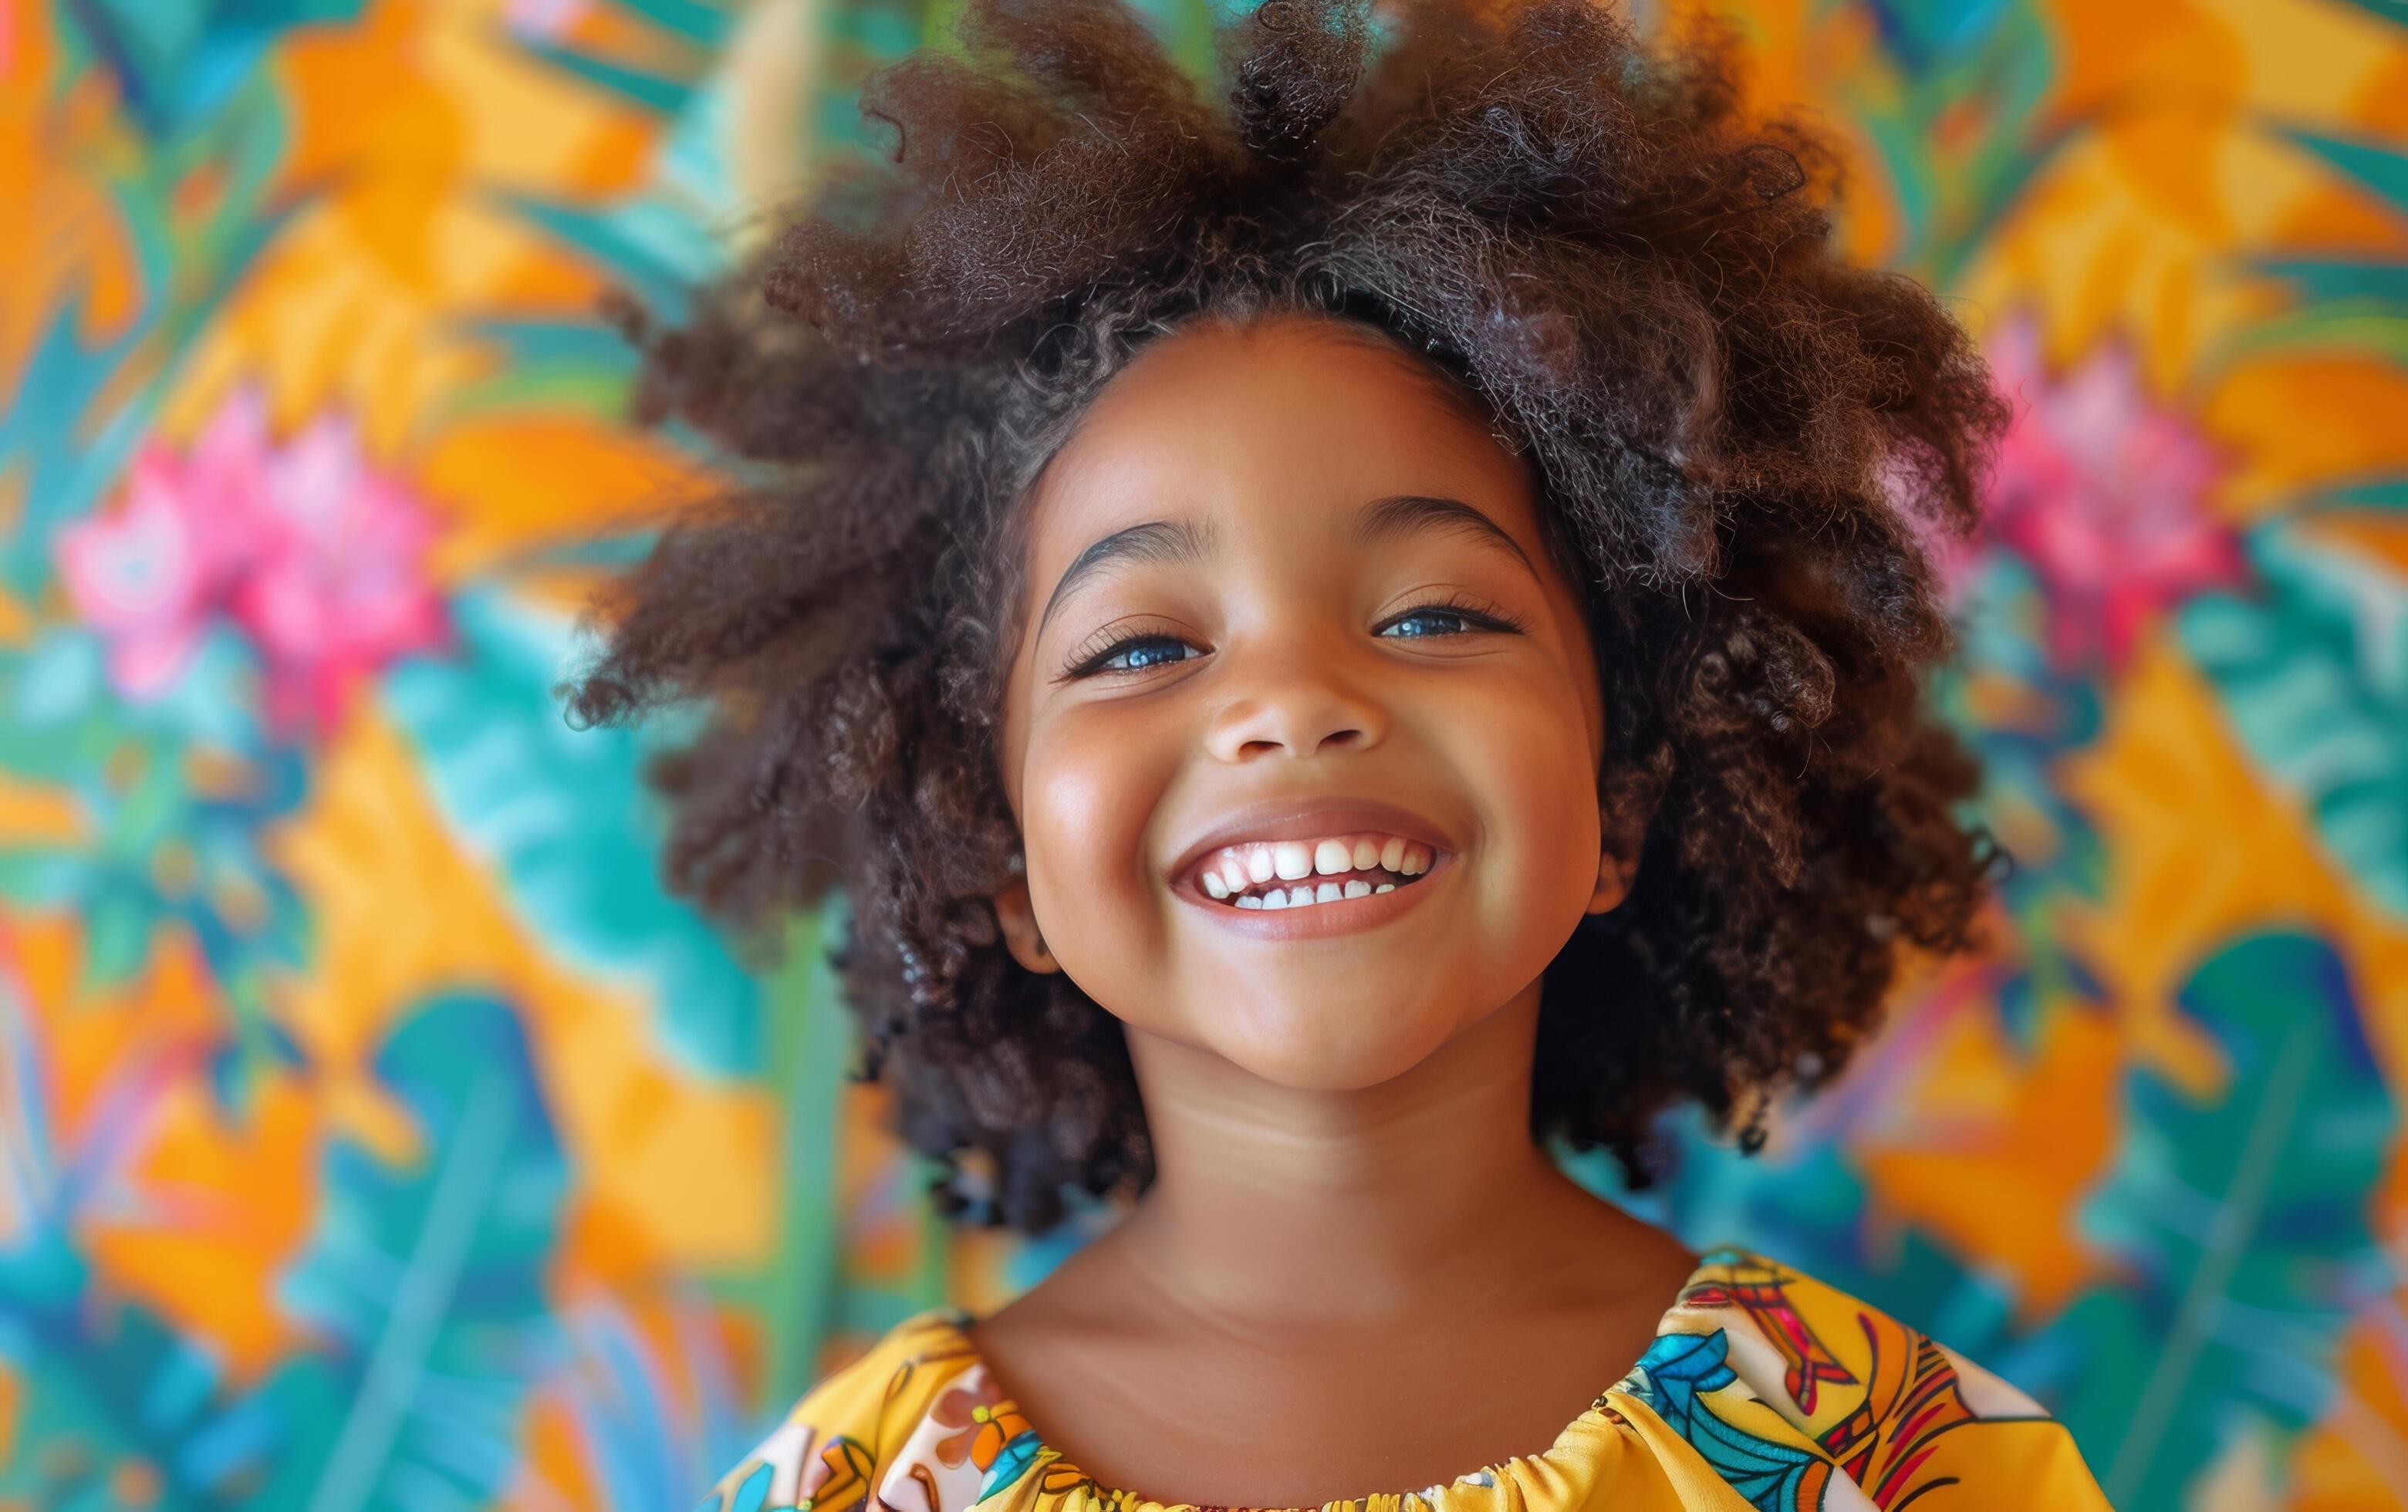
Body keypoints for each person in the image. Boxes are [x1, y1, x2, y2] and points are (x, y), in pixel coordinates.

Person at [565, 0, 2113, 1504]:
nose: (1292, 701)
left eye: (1436, 615)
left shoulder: (1895, 1456)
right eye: (1144, 647)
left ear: (1625, 790)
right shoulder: (863, 1481)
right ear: (996, 845)